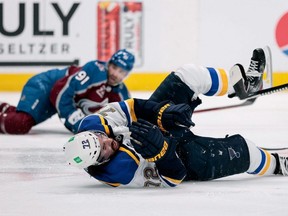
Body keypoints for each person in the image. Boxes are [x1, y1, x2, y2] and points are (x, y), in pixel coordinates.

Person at [63, 47, 288, 188]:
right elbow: (173, 177)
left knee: (187, 75)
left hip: (154, 126)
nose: (106, 142)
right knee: (244, 151)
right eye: (102, 150)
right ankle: (279, 165)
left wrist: (161, 114)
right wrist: (162, 151)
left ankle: (246, 85)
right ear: (98, 162)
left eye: (99, 138)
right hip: (177, 156)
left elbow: (132, 107)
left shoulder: (93, 122)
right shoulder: (121, 170)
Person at [0, 49, 135, 134]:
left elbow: (123, 119)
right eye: (114, 67)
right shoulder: (95, 70)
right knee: (20, 124)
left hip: (55, 101)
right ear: (109, 64)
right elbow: (60, 92)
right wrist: (75, 121)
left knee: (21, 120)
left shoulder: (120, 93)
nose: (116, 74)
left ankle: (4, 109)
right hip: (45, 86)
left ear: (126, 74)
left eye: (121, 71)